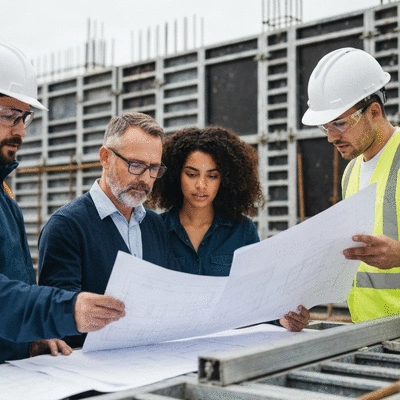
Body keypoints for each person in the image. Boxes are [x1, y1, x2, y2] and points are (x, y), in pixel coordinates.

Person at [0, 43, 125, 363]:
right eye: (8, 116)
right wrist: (66, 309)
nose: (20, 132)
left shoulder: (5, 197)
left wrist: (27, 341)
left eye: (23, 118)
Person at [38, 112, 181, 348]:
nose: (145, 179)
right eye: (135, 165)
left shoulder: (156, 226)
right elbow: (60, 316)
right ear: (105, 157)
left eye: (153, 168)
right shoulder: (66, 227)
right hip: (91, 370)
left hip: (152, 361)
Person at [149, 126, 310, 332]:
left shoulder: (242, 231)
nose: (201, 185)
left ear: (224, 180)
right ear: (175, 176)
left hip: (226, 348)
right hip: (169, 347)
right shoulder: (155, 229)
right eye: (191, 174)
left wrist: (283, 319)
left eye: (212, 176)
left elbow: (258, 299)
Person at [302, 47, 400, 322]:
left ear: (374, 112)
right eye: (326, 127)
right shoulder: (352, 172)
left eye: (340, 124)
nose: (331, 137)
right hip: (369, 336)